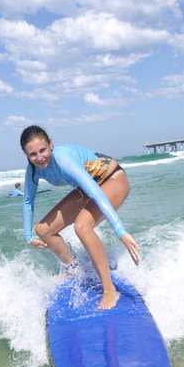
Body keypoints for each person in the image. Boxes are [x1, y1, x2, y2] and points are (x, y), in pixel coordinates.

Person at [19, 125, 140, 309]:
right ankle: (74, 270)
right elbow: (28, 201)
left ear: (51, 144)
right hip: (90, 186)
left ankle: (110, 290)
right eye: (32, 154)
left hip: (114, 179)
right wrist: (28, 237)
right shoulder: (34, 170)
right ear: (27, 155)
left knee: (82, 226)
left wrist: (120, 232)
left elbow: (96, 194)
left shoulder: (64, 161)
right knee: (43, 230)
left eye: (42, 150)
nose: (39, 157)